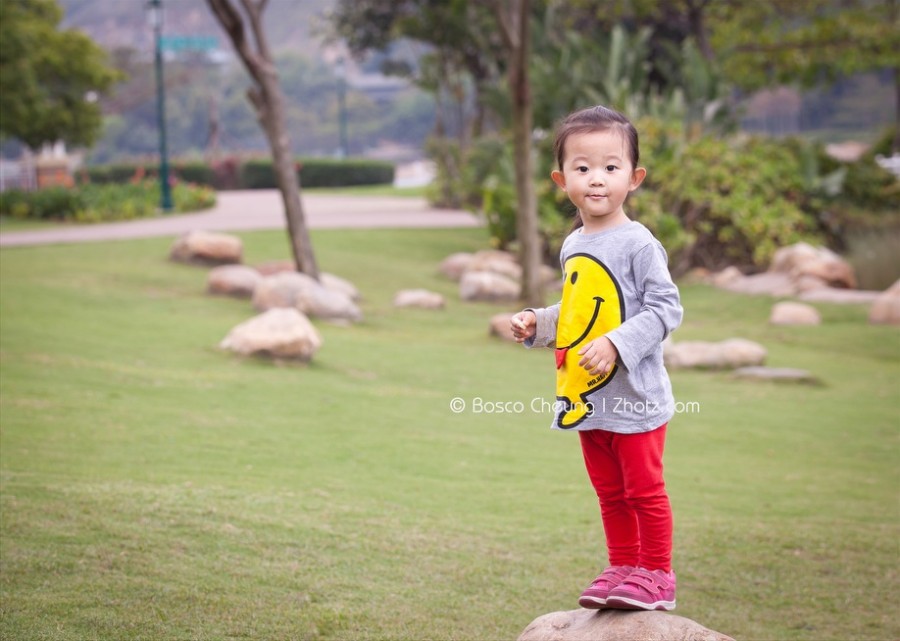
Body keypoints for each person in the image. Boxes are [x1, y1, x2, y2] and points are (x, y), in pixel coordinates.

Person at [510, 105, 683, 611]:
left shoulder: (639, 243)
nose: (597, 179)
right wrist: (537, 322)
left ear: (635, 177)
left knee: (643, 491)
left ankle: (657, 575)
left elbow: (665, 307)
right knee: (609, 493)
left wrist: (616, 344)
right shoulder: (574, 244)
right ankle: (623, 566)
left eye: (611, 167)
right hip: (588, 398)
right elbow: (580, 309)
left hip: (635, 398)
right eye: (583, 168)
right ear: (562, 179)